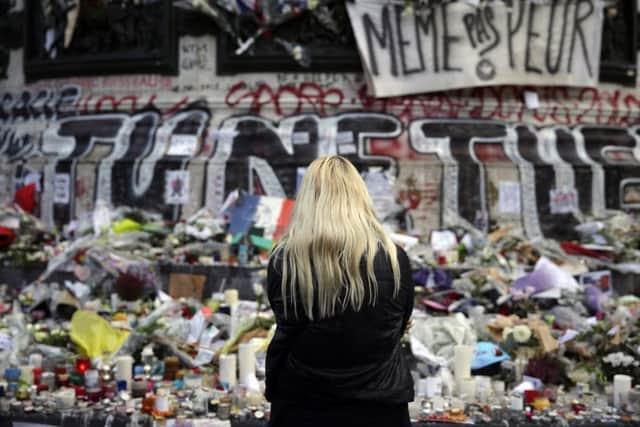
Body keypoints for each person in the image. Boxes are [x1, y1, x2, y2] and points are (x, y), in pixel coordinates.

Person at [265, 156, 415, 427]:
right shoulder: (395, 259)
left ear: (309, 199)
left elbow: (287, 327)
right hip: (380, 408)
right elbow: (399, 325)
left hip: (304, 405)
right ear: (360, 196)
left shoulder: (285, 260)